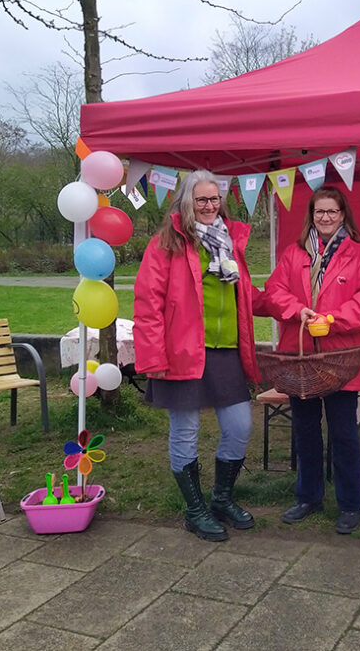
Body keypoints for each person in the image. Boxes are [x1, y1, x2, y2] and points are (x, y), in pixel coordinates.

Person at [133, 170, 259, 543]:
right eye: (201, 199)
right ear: (186, 202)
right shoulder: (165, 243)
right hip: (181, 354)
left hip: (226, 352)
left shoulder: (230, 242)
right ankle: (194, 509)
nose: (209, 206)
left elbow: (245, 295)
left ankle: (221, 498)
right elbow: (147, 303)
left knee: (240, 427)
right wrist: (153, 357)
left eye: (214, 198)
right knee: (185, 431)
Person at [258, 186, 360, 535]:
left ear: (343, 215)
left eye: (332, 212)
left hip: (339, 358)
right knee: (306, 431)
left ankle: (349, 504)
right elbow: (274, 292)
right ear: (311, 216)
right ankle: (308, 497)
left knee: (344, 433)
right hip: (299, 358)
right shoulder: (293, 254)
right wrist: (297, 310)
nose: (325, 218)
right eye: (319, 212)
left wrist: (333, 319)